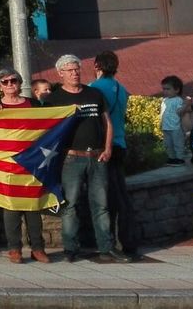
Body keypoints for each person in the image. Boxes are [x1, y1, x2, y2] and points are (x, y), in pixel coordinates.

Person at [44, 54, 129, 263]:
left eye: (77, 69)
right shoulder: (54, 99)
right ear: (60, 73)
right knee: (71, 205)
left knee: (101, 204)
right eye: (70, 70)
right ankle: (70, 248)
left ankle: (106, 247)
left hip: (97, 156)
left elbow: (107, 122)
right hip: (71, 159)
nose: (75, 73)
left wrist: (107, 148)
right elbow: (45, 129)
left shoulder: (94, 93)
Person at [0, 68, 49, 264]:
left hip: (31, 163)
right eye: (4, 82)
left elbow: (48, 123)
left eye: (13, 81)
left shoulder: (32, 105)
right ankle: (14, 248)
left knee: (33, 207)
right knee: (11, 207)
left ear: (20, 83)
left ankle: (38, 248)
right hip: (7, 164)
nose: (9, 85)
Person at [90, 50, 139, 260]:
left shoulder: (94, 88)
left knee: (109, 198)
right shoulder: (120, 88)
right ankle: (128, 240)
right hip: (120, 143)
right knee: (121, 193)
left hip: (103, 147)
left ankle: (112, 241)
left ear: (97, 66)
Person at [160, 75, 189, 165]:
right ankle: (171, 157)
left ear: (177, 90)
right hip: (166, 127)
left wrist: (186, 105)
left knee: (178, 143)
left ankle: (179, 158)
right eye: (164, 89)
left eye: (168, 89)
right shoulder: (165, 100)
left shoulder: (178, 100)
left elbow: (180, 112)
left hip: (176, 127)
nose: (165, 91)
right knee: (168, 144)